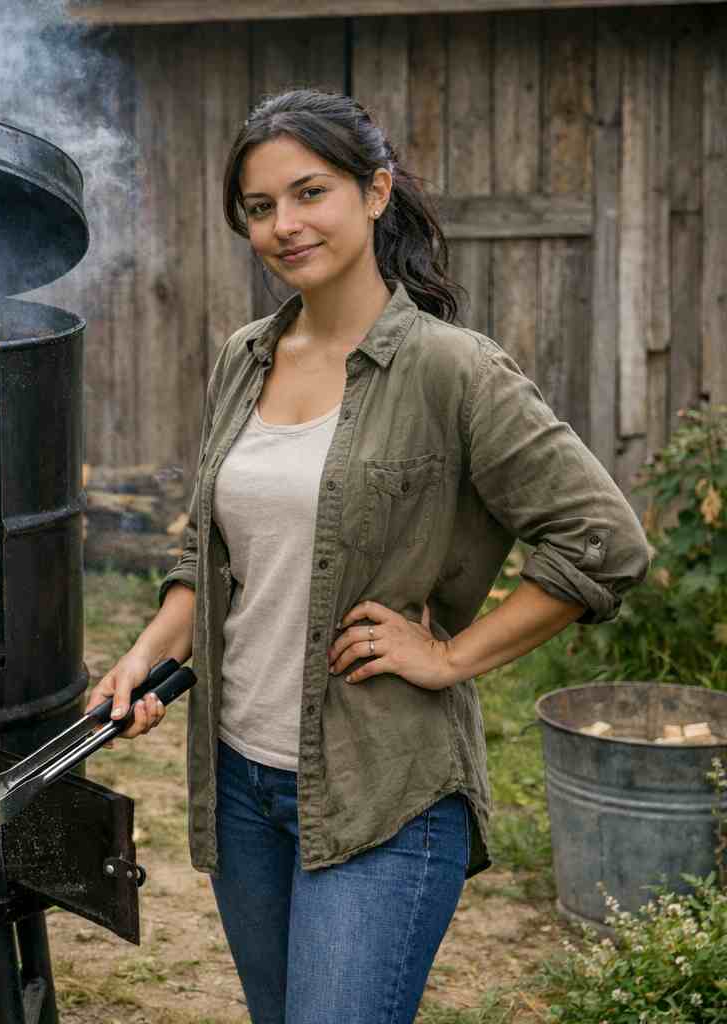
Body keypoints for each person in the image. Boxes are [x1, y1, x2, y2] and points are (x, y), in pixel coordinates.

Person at [90, 89, 649, 1024]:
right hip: (239, 782)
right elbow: (212, 544)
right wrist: (149, 649)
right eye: (260, 208)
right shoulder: (244, 356)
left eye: (310, 193)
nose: (285, 226)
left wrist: (450, 656)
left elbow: (604, 540)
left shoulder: (450, 368)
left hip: (382, 788)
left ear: (376, 191)